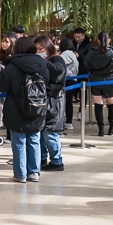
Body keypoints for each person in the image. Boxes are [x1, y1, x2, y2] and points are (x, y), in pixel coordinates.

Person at [0, 37, 49, 183]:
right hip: (37, 108)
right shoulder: (42, 64)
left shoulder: (12, 66)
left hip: (16, 109)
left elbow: (1, 84)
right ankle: (34, 172)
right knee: (34, 140)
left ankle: (20, 174)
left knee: (18, 141)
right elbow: (47, 83)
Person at [82, 32, 113, 136]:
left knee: (98, 104)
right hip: (110, 80)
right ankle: (112, 127)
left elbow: (86, 65)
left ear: (98, 40)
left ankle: (101, 129)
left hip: (95, 80)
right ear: (109, 40)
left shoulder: (91, 53)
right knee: (111, 104)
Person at [37, 37, 66, 171]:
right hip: (44, 100)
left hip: (53, 101)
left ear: (48, 47)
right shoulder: (45, 60)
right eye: (36, 49)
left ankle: (56, 161)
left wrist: (44, 63)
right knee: (42, 130)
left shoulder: (57, 60)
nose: (39, 52)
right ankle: (42, 158)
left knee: (49, 131)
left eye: (41, 49)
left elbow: (59, 75)